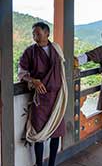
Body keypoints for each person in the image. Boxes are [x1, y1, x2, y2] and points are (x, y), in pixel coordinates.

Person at [18, 22, 68, 166]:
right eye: (33, 34)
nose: (35, 37)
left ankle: (51, 164)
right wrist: (33, 80)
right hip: (41, 99)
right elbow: (21, 72)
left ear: (47, 34)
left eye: (38, 34)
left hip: (57, 98)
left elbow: (62, 71)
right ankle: (39, 164)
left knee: (56, 133)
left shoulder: (56, 49)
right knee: (38, 133)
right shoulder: (30, 52)